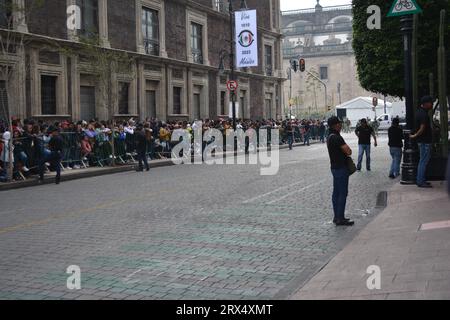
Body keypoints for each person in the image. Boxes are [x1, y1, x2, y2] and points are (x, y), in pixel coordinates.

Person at [327, 116, 354, 226]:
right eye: (339, 123)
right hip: (341, 168)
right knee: (342, 193)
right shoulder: (337, 137)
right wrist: (348, 150)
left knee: (336, 193)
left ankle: (336, 216)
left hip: (334, 167)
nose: (341, 125)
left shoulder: (329, 136)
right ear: (335, 125)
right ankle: (340, 218)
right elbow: (348, 151)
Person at [410, 96, 434, 188]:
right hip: (425, 141)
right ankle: (420, 181)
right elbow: (422, 128)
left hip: (422, 141)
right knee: (423, 161)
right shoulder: (423, 114)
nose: (431, 104)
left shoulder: (419, 112)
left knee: (422, 161)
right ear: (426, 103)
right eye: (430, 102)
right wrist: (415, 135)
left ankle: (421, 180)